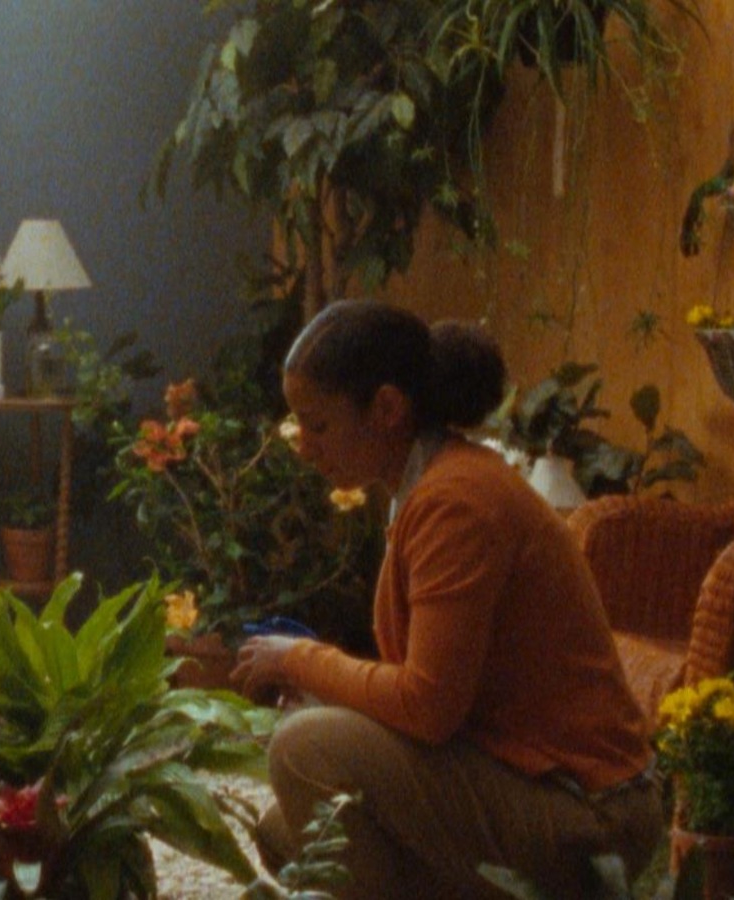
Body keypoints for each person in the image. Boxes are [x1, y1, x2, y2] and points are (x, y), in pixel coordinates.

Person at [231, 300, 661, 899]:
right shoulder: (426, 485)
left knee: (305, 749)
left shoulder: (456, 500)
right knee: (293, 833)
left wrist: (298, 660)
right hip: (521, 779)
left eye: (319, 425)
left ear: (386, 409)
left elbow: (428, 706)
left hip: (591, 818)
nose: (303, 444)